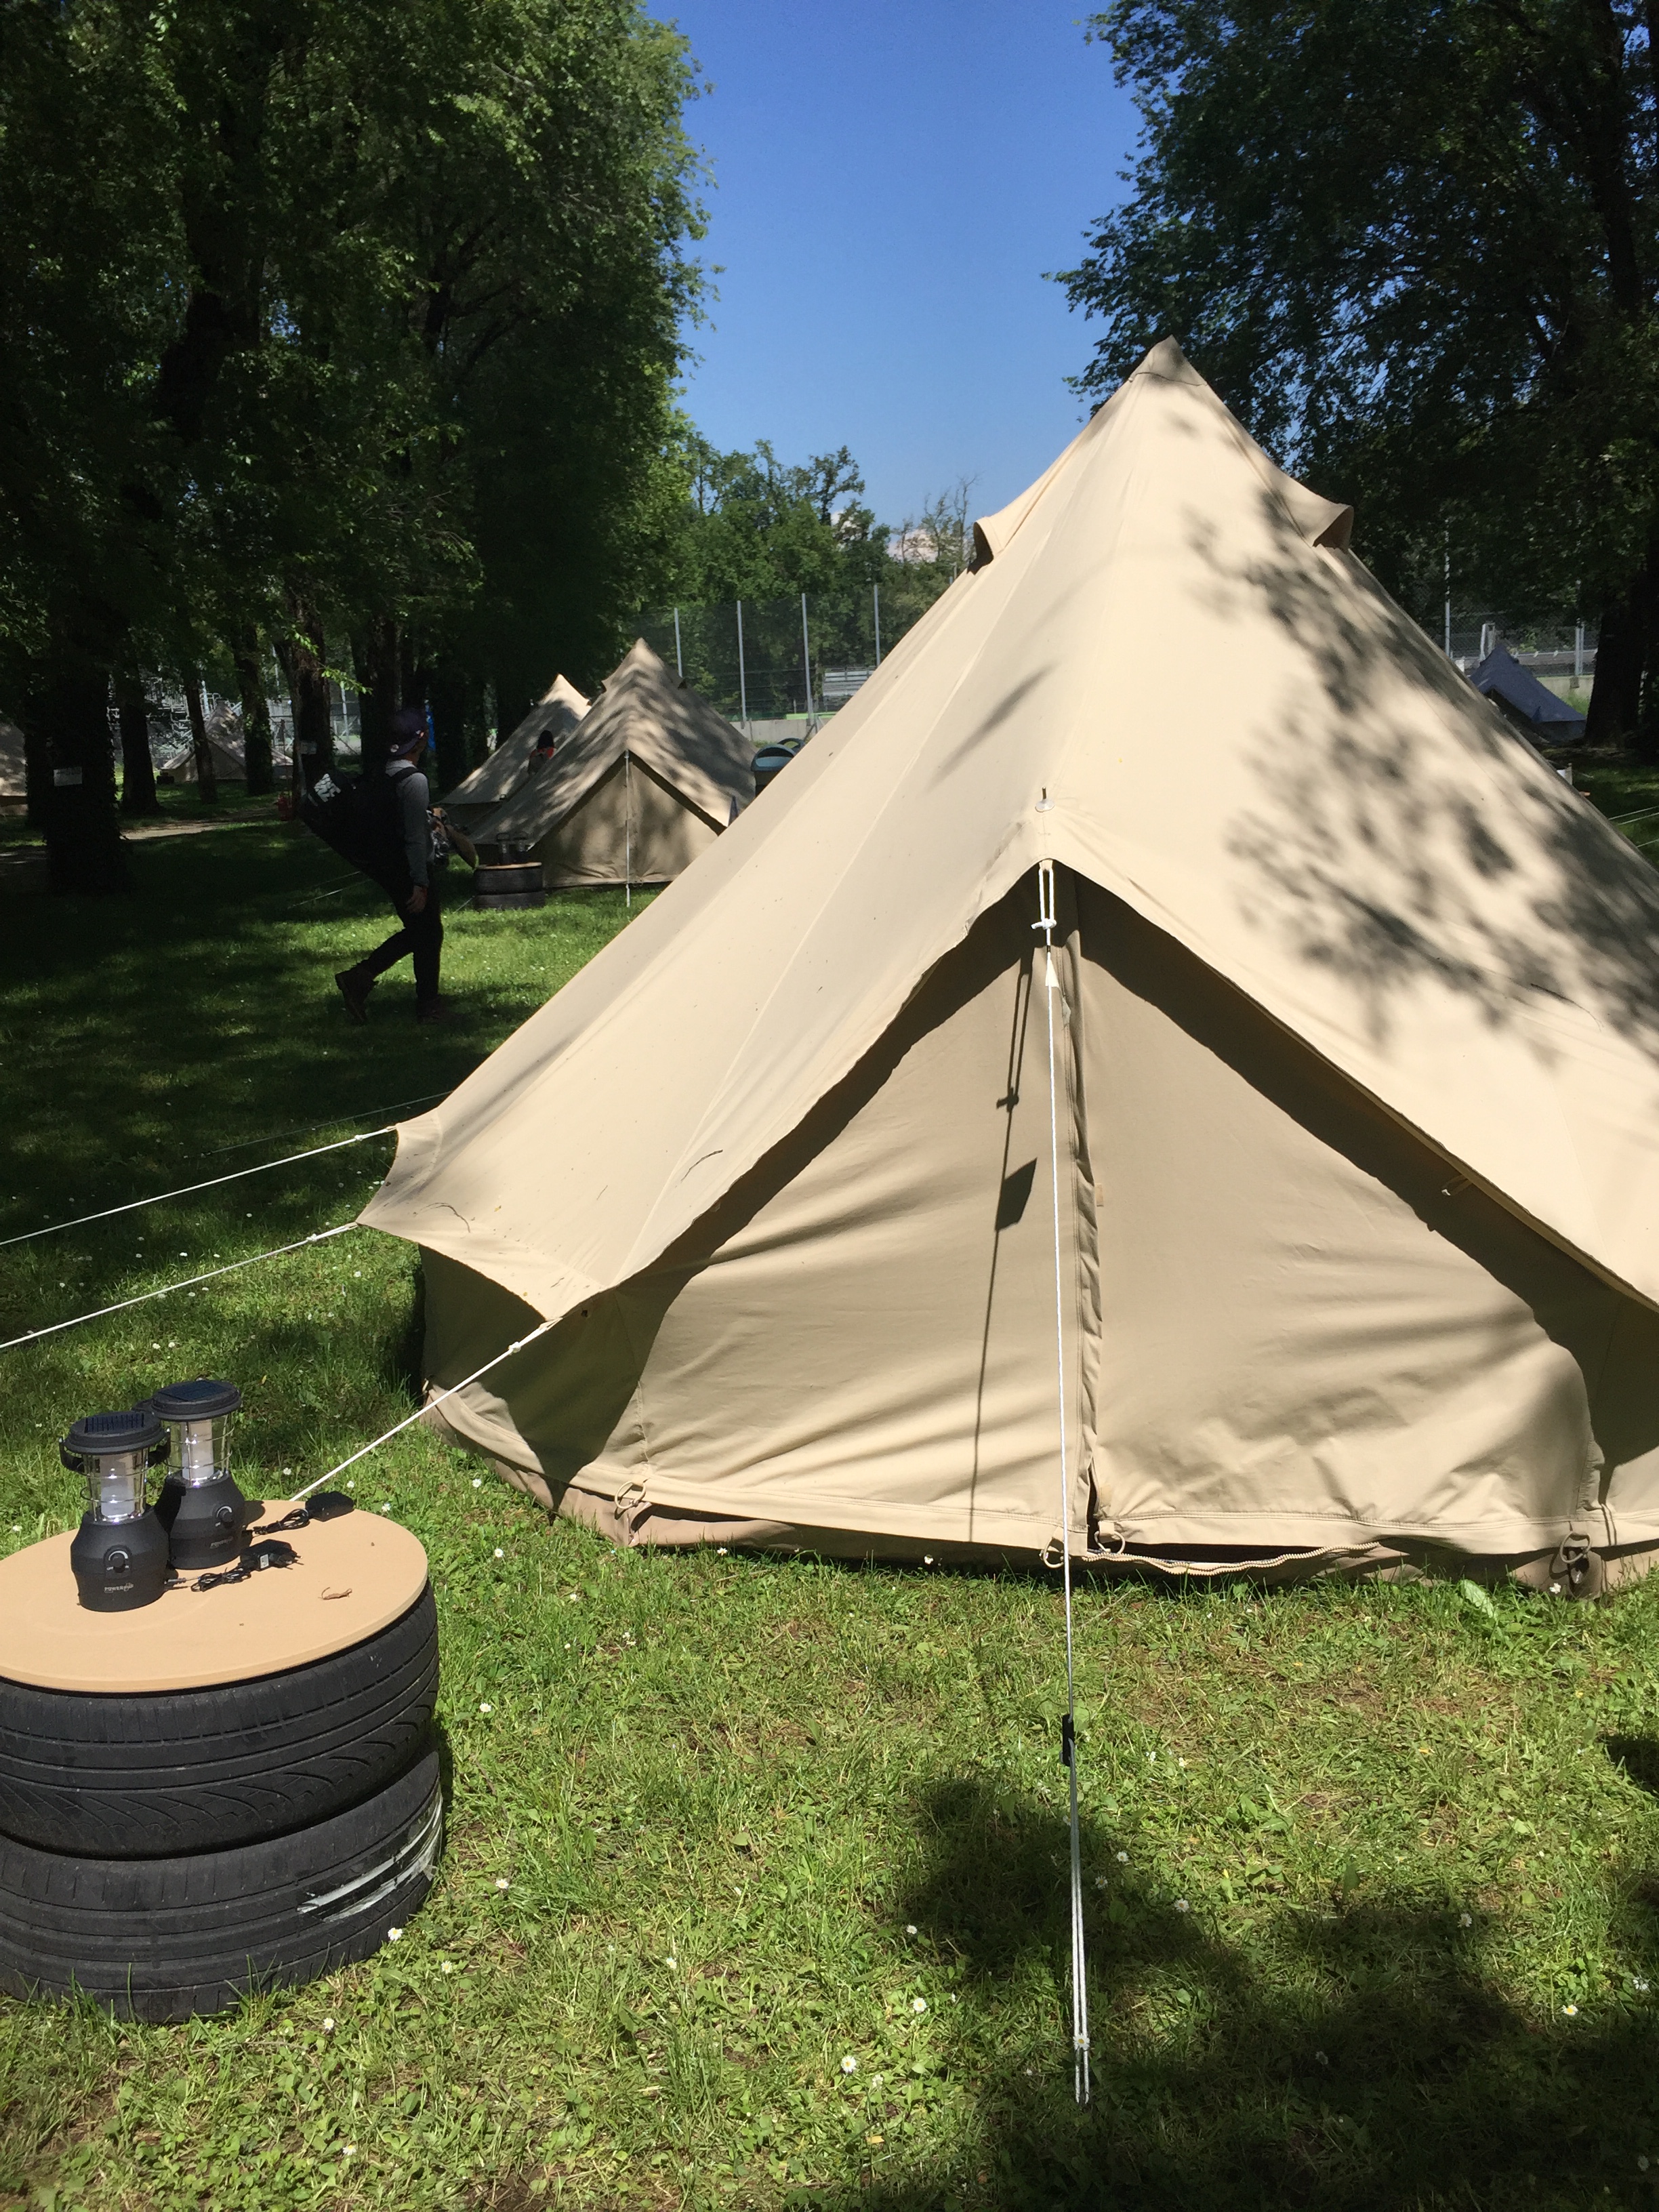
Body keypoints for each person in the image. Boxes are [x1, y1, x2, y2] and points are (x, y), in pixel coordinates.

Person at [334, 708, 475, 1024]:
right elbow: (414, 837)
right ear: (421, 739)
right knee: (427, 933)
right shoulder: (413, 780)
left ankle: (363, 980)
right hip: (407, 868)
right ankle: (426, 1006)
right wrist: (420, 883)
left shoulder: (383, 772)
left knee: (423, 932)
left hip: (385, 864)